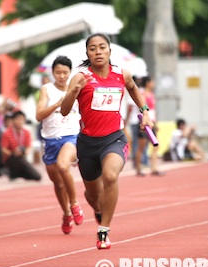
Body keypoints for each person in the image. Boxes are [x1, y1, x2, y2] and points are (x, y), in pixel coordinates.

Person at [60, 33, 153, 249]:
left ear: (110, 51)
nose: (98, 51)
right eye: (93, 48)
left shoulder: (122, 74)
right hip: (87, 144)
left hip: (114, 139)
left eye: (102, 47)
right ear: (87, 53)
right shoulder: (80, 77)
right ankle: (99, 211)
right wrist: (74, 90)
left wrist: (145, 112)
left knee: (111, 176)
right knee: (94, 197)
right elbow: (64, 111)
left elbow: (133, 88)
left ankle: (104, 230)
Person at [36, 56, 84, 234]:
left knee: (64, 167)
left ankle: (74, 204)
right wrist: (57, 104)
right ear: (53, 73)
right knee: (58, 183)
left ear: (70, 73)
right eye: (58, 72)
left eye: (65, 72)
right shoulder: (46, 90)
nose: (62, 76)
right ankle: (66, 214)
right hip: (50, 140)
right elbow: (39, 115)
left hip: (70, 137)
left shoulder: (76, 90)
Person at [134, 76, 165, 177]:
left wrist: (156, 122)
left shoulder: (151, 94)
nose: (154, 84)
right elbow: (142, 108)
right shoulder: (142, 94)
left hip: (152, 123)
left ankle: (154, 168)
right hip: (145, 123)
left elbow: (153, 110)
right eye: (152, 81)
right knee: (141, 147)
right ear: (147, 83)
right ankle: (138, 168)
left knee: (156, 145)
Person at [0, 110, 41, 181]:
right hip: (11, 158)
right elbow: (3, 149)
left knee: (36, 176)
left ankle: (15, 174)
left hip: (22, 157)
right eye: (18, 119)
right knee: (17, 159)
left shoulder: (26, 132)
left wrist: (25, 152)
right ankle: (12, 172)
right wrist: (13, 153)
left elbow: (28, 146)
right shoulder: (7, 133)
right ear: (13, 120)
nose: (20, 121)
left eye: (22, 119)